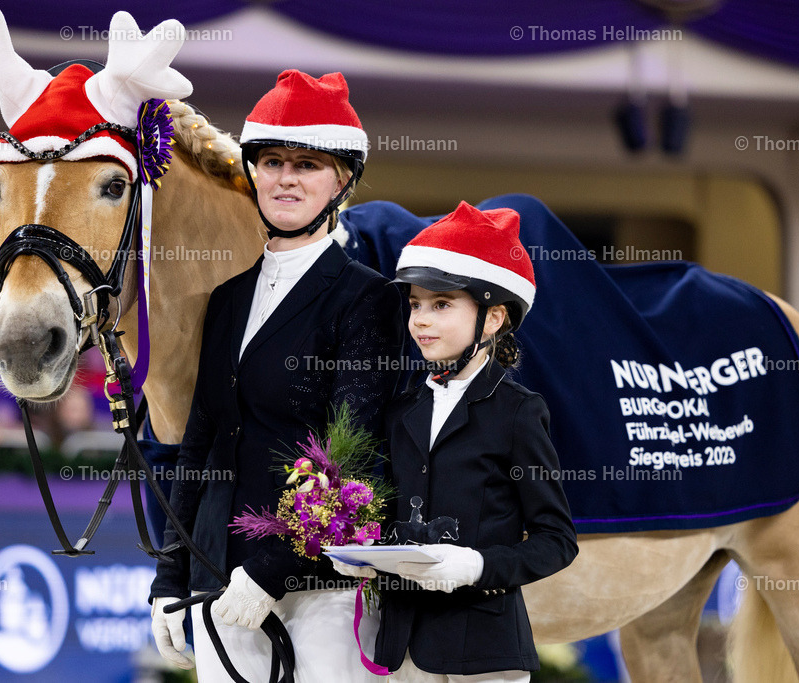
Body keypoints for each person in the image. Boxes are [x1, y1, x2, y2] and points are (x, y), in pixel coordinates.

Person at [149, 69, 404, 681]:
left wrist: (272, 572)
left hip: (319, 586)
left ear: (341, 181)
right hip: (218, 579)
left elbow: (355, 452)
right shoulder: (226, 298)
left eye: (307, 164)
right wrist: (170, 576)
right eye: (271, 162)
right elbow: (200, 441)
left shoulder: (368, 297)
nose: (285, 177)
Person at [334, 201, 579, 682]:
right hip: (402, 652)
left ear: (493, 318)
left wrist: (476, 566)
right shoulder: (401, 409)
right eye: (415, 305)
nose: (420, 320)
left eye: (441, 304)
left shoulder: (518, 412)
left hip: (484, 653)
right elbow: (395, 513)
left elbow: (557, 542)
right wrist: (362, 551)